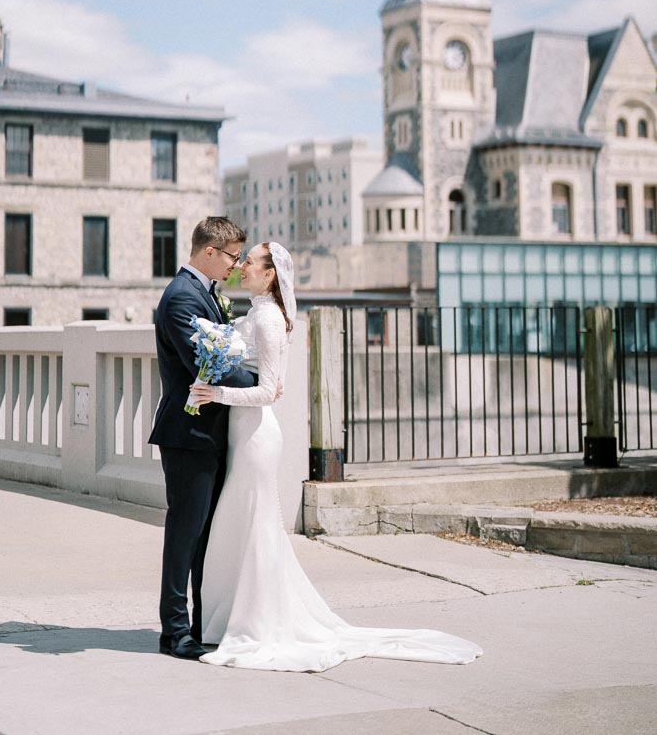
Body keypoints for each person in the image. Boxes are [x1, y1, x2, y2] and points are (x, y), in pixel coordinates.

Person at [188, 241, 482, 672]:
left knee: (254, 528)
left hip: (256, 435)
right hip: (242, 433)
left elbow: (271, 390)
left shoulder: (268, 318)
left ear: (270, 275)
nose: (242, 266)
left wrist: (217, 393)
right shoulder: (256, 314)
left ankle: (258, 622)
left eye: (249, 262)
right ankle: (238, 618)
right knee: (244, 527)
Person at [148, 216, 258, 661]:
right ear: (209, 252)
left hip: (210, 431)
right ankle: (174, 630)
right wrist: (257, 378)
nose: (235, 266)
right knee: (185, 533)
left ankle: (199, 622)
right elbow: (206, 365)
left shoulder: (206, 295)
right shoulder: (180, 298)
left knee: (206, 537)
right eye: (232, 257)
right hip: (187, 432)